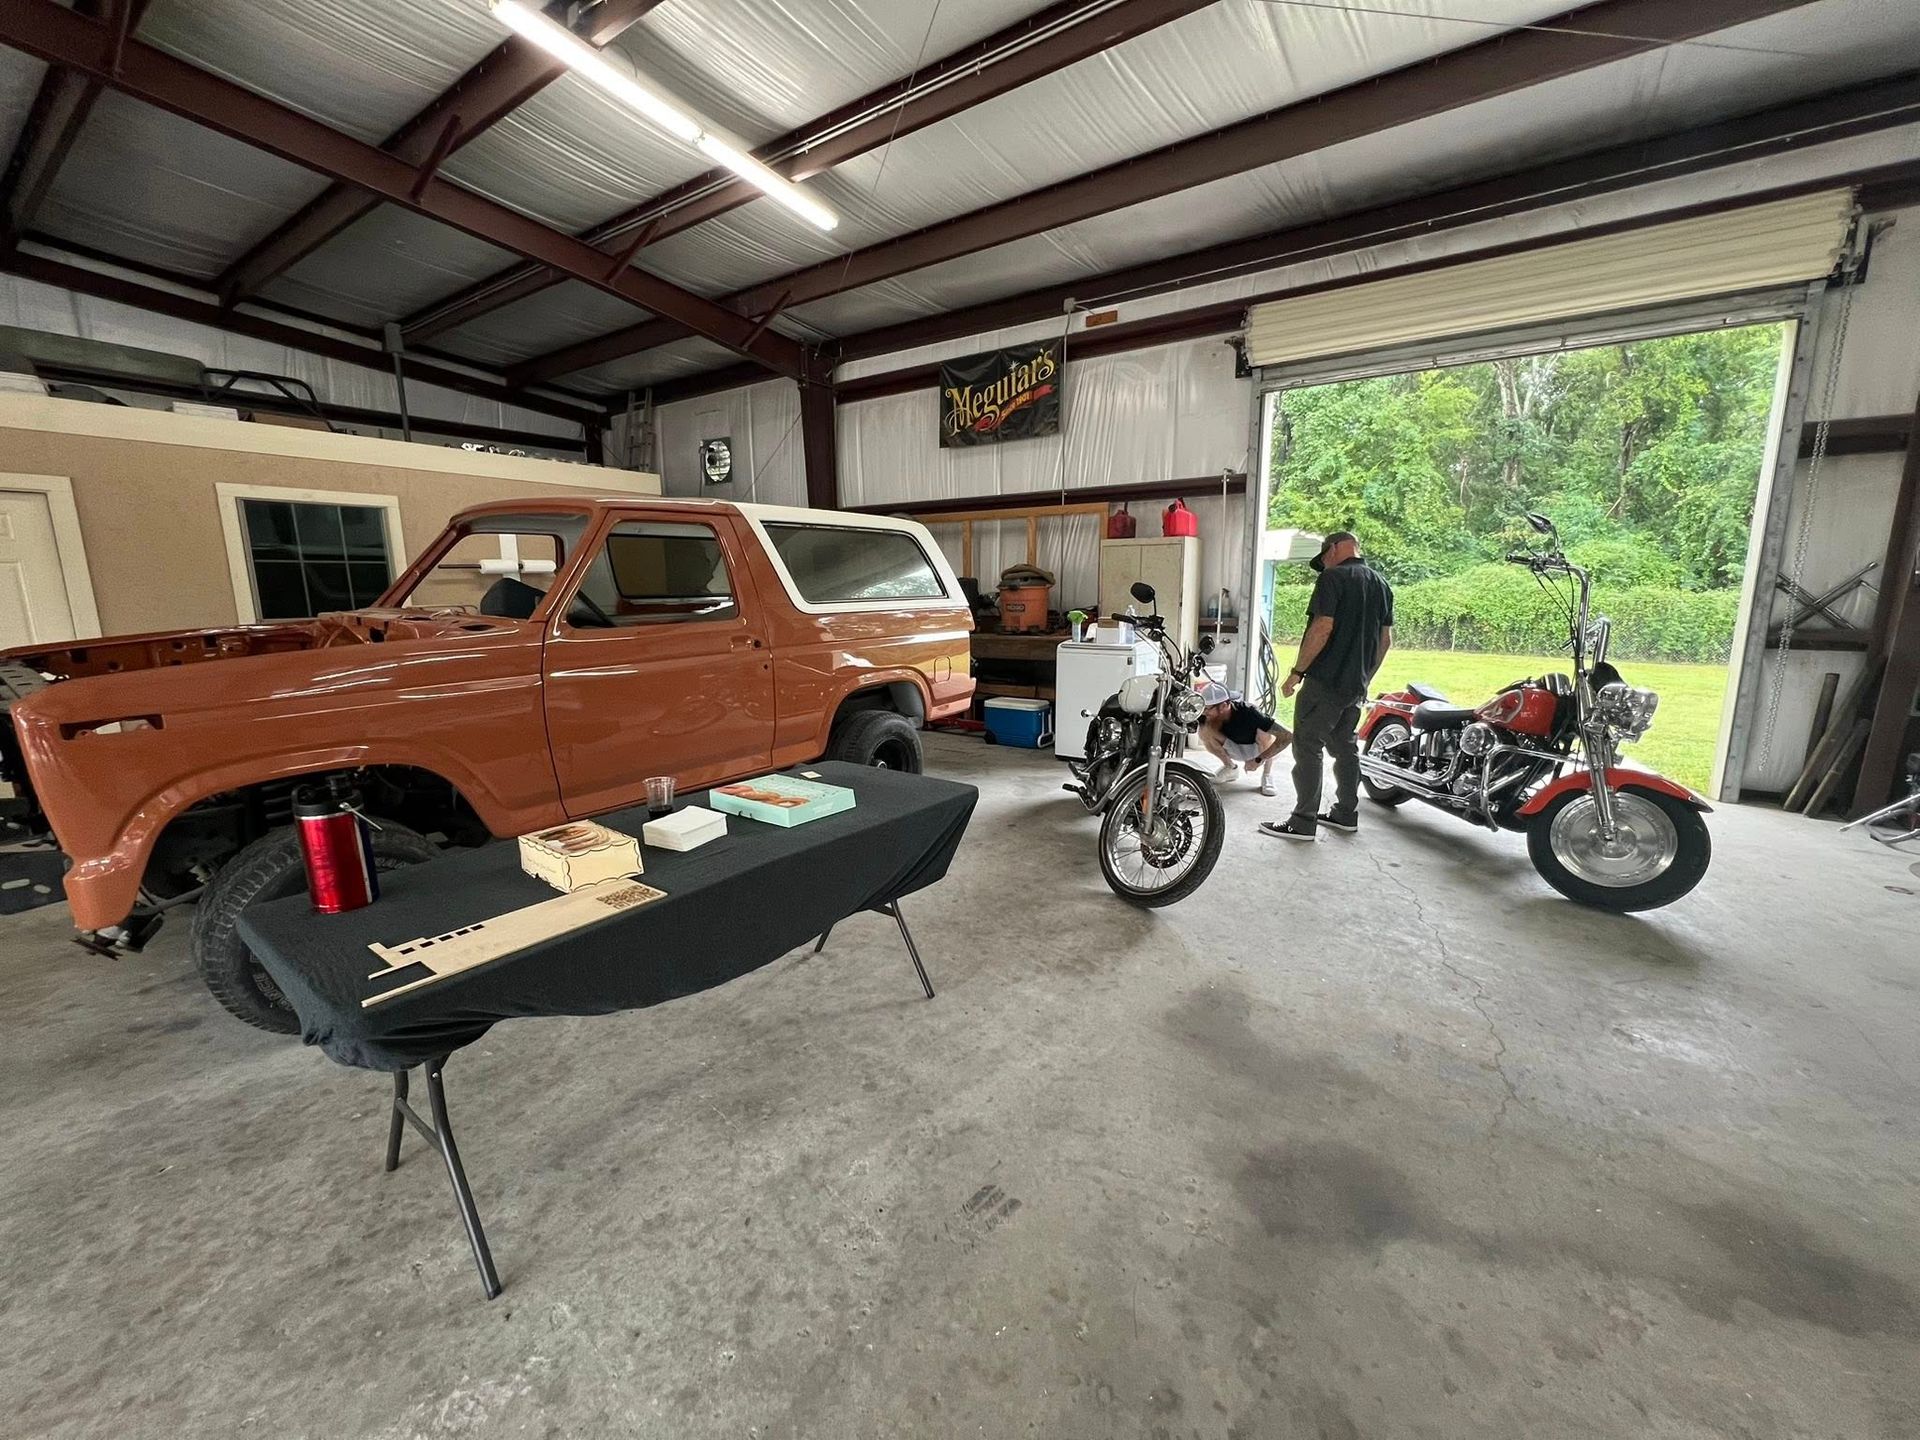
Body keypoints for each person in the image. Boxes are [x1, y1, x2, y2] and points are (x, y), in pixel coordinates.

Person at [1260, 531, 1394, 842]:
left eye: (1323, 558)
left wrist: (1296, 673)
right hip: (1355, 686)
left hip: (1325, 682)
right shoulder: (1382, 584)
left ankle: (1302, 821)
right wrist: (1365, 676)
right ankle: (1346, 813)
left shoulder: (1332, 578)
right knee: (1345, 747)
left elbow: (1322, 627)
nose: (1324, 564)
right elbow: (1385, 640)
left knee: (1308, 746)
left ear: (1332, 549)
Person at [1196, 681, 1291, 796]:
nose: (1204, 712)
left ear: (1224, 706)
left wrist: (1259, 759)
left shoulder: (1249, 712)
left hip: (1257, 750)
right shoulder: (1207, 715)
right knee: (1204, 731)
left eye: (1207, 708)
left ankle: (1267, 774)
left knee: (1264, 733)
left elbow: (1286, 735)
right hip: (1235, 748)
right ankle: (1230, 768)